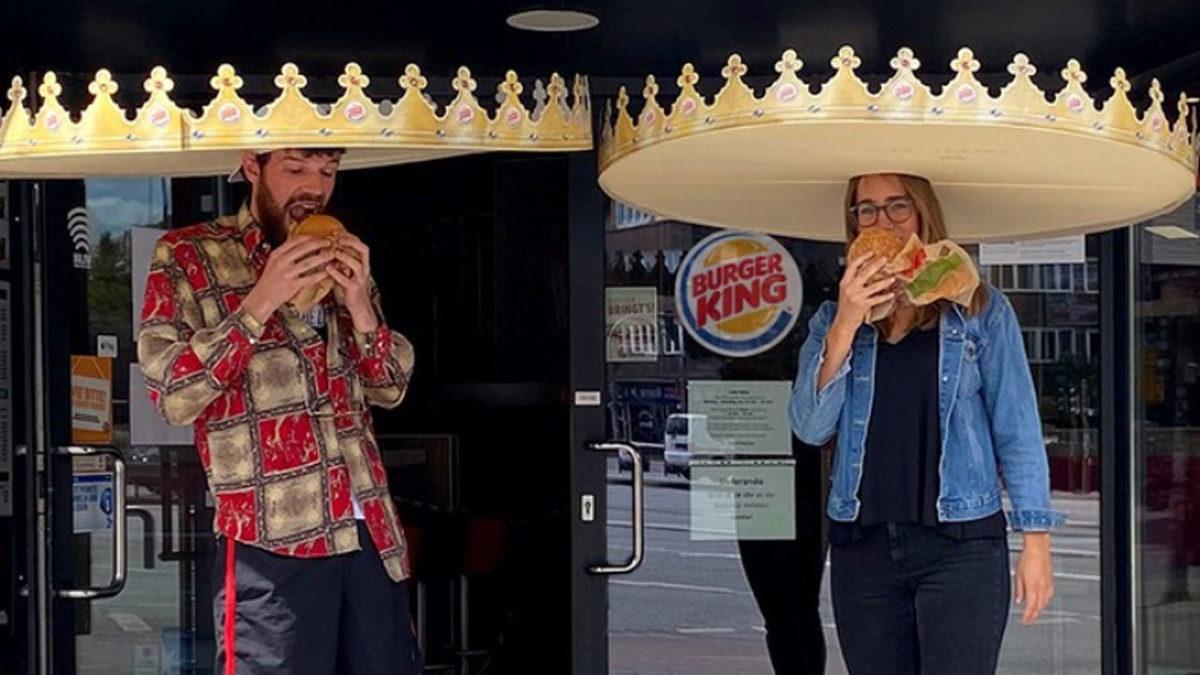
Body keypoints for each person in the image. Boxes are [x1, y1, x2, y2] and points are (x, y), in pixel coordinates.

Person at [137, 147, 421, 674]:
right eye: (295, 169)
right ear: (252, 168)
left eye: (328, 171)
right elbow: (173, 394)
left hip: (369, 532)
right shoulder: (187, 254)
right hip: (270, 535)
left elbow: (390, 388)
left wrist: (360, 304)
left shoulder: (344, 255)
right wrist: (259, 301)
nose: (314, 185)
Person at [790, 173, 1063, 675]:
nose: (882, 220)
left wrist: (1036, 543)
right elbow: (809, 427)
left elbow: (1017, 429)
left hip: (961, 547)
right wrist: (847, 323)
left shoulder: (978, 310)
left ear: (923, 215)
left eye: (898, 206)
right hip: (864, 548)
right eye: (866, 209)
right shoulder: (831, 320)